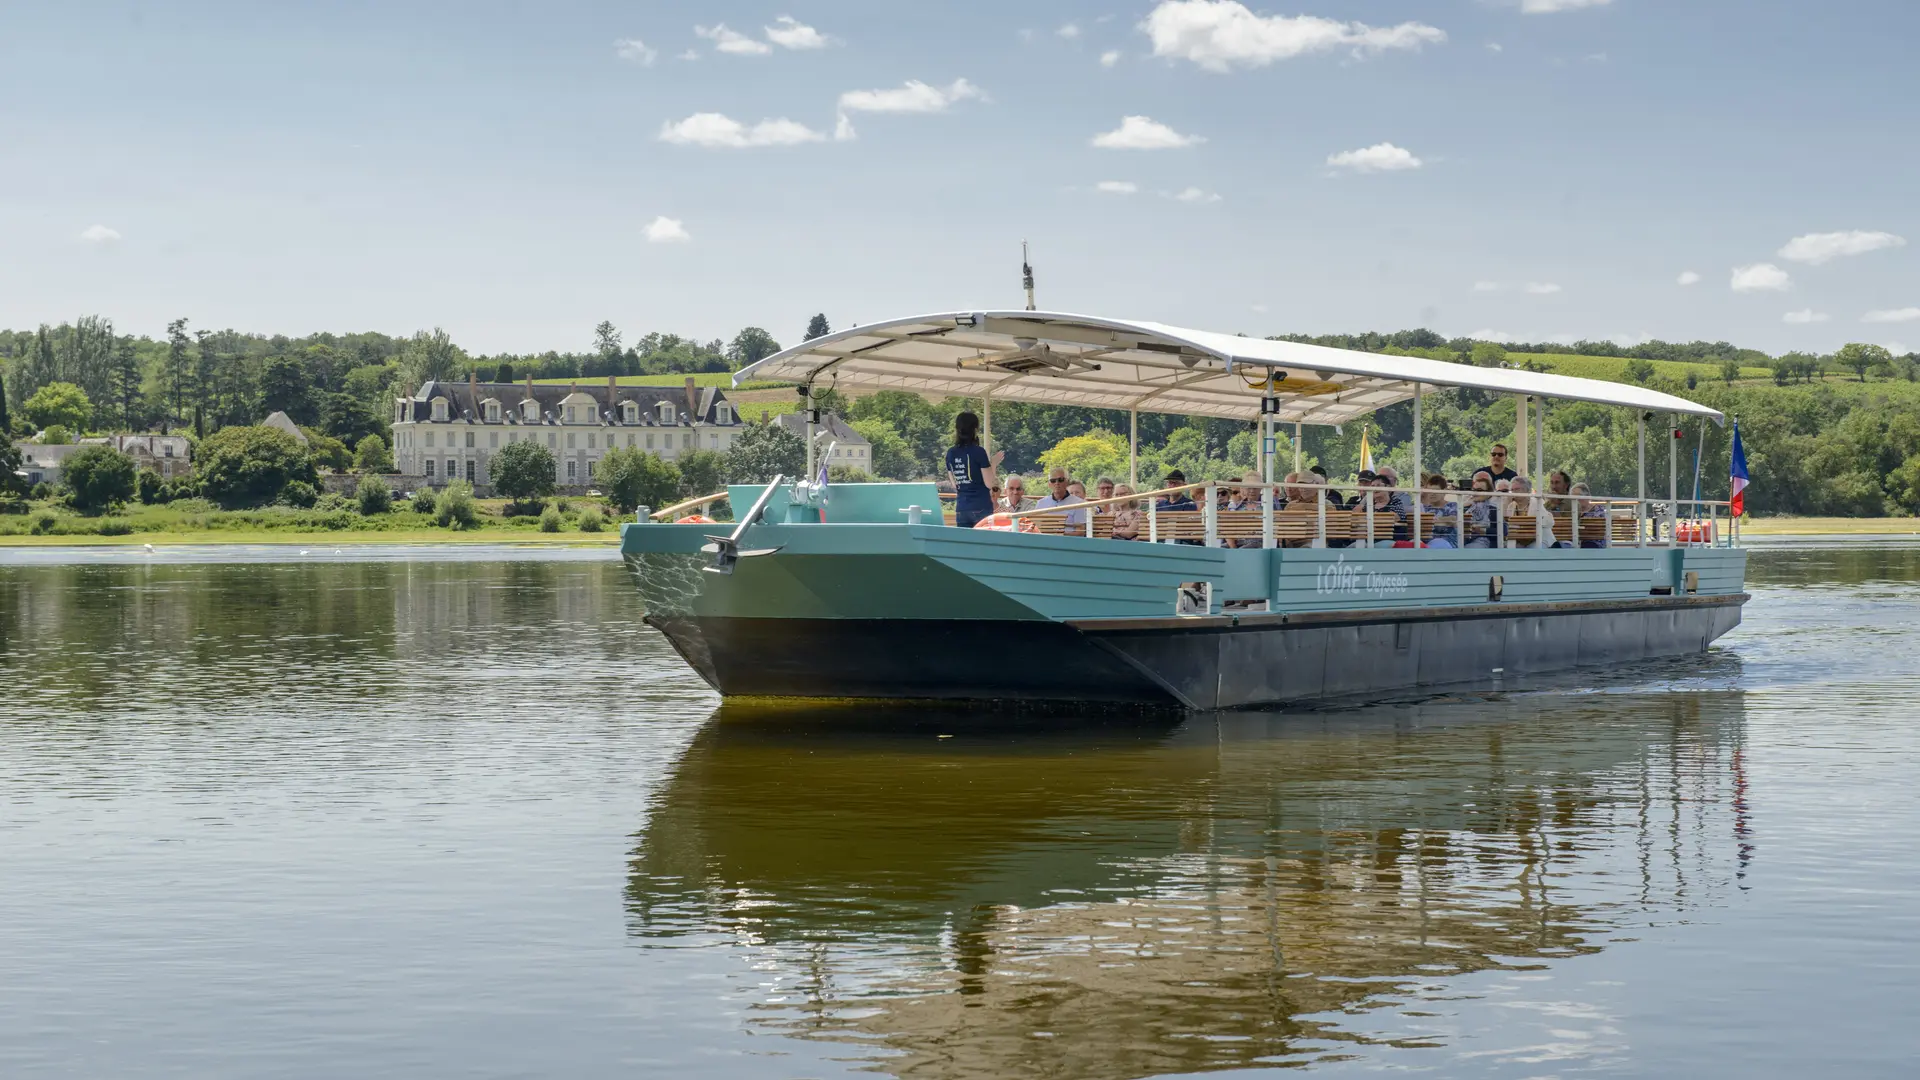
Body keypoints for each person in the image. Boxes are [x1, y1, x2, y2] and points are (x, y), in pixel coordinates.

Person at [943, 411, 1003, 529]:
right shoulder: (979, 452)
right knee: (983, 544)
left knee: (965, 545)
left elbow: (955, 485)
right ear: (975, 429)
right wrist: (994, 464)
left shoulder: (951, 453)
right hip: (980, 505)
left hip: (962, 508)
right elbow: (989, 483)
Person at [1155, 470, 1201, 545]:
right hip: (1161, 543)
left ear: (1183, 485)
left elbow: (1190, 530)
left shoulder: (1190, 505)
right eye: (1170, 483)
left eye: (1175, 483)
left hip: (1182, 544)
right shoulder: (1160, 505)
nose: (1172, 486)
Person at [1422, 474, 1460, 548]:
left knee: (1435, 544)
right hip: (1425, 542)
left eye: (1436, 491)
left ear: (1444, 491)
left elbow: (1453, 519)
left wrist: (1431, 519)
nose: (1432, 494)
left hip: (1447, 543)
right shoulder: (1424, 507)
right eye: (1429, 491)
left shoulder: (1452, 505)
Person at [1572, 482, 1609, 548]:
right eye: (1573, 496)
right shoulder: (1572, 511)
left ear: (1587, 496)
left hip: (1594, 544)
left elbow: (1598, 529)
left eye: (1578, 495)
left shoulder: (1598, 509)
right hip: (1576, 544)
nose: (1575, 499)